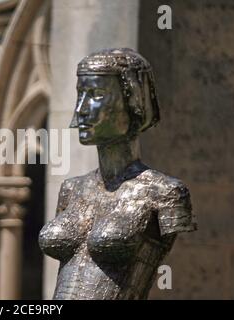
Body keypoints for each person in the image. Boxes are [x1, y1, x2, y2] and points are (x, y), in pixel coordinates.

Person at [39, 48, 197, 300]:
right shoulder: (71, 189)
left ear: (133, 101)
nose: (81, 109)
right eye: (81, 95)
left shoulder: (164, 192)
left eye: (96, 95)